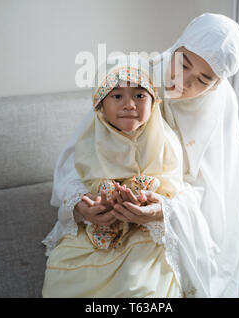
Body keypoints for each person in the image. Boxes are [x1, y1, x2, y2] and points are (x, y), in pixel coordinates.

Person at [42, 13, 239, 298]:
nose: (183, 81)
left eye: (203, 79)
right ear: (177, 46)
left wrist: (163, 211)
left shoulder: (218, 110)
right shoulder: (134, 76)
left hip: (159, 209)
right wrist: (82, 204)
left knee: (138, 286)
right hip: (107, 197)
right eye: (183, 64)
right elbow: (83, 152)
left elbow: (212, 193)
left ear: (216, 85)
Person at [42, 55, 194, 298]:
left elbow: (175, 186)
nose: (129, 104)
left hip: (144, 231)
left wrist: (152, 204)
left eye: (139, 95)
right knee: (62, 277)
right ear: (100, 103)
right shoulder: (87, 141)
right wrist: (84, 205)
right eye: (117, 96)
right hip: (96, 227)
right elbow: (70, 183)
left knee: (139, 285)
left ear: (153, 101)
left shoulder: (165, 142)